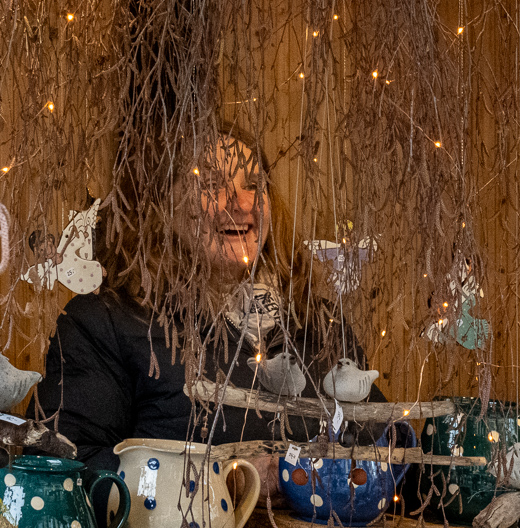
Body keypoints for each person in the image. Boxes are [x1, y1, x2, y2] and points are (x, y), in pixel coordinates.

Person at [37, 131, 381, 474]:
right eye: (212, 185)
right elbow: (67, 462)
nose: (241, 204)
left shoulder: (319, 323)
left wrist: (319, 479)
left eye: (253, 185)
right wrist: (225, 482)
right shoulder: (105, 322)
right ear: (161, 206)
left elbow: (386, 442)